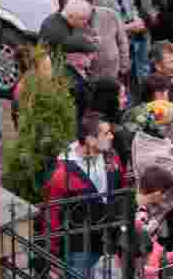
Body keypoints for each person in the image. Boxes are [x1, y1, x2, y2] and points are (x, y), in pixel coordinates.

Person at [43, 111, 121, 276]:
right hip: (78, 248)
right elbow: (53, 215)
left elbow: (118, 192)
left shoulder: (111, 157)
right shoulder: (62, 174)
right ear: (90, 140)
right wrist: (52, 255)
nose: (112, 137)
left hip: (107, 241)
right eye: (106, 133)